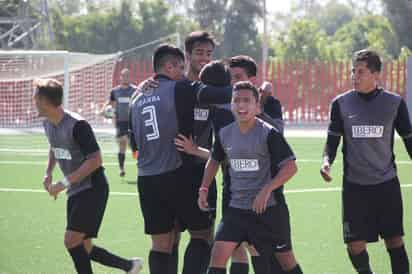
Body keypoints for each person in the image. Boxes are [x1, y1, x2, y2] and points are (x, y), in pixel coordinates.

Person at [129, 44, 232, 274]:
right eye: (180, 67)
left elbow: (134, 145)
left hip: (147, 179)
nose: (184, 72)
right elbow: (222, 94)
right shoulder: (180, 88)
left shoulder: (136, 99)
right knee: (202, 236)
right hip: (179, 173)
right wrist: (248, 92)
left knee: (160, 244)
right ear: (169, 66)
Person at [34, 78, 142, 274]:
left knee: (71, 240)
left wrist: (63, 183)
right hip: (76, 189)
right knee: (84, 247)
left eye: (36, 98)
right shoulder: (48, 123)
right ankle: (130, 266)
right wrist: (48, 172)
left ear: (45, 101)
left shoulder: (78, 125)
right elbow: (54, 146)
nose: (33, 101)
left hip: (93, 187)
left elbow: (96, 160)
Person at [320, 49, 412, 274]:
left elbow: (409, 139)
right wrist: (326, 162)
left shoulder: (394, 103)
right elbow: (332, 140)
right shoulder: (341, 104)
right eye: (353, 71)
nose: (354, 76)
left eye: (360, 72)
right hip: (354, 187)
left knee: (394, 241)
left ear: (376, 74)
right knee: (354, 244)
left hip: (386, 184)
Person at [198, 81, 303, 274]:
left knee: (286, 260)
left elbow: (290, 167)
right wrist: (203, 188)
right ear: (231, 105)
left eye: (247, 100)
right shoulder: (225, 133)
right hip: (237, 209)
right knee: (218, 254)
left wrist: (267, 189)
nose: (241, 105)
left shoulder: (269, 133)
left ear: (257, 106)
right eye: (236, 100)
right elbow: (214, 161)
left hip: (269, 210)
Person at [101, 68, 137, 177]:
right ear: (120, 77)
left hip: (132, 122)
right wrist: (104, 110)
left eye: (127, 75)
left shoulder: (135, 90)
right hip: (120, 122)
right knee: (122, 144)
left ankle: (140, 165)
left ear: (130, 77)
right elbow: (110, 103)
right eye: (123, 76)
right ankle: (121, 169)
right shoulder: (115, 91)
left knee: (134, 146)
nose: (125, 78)